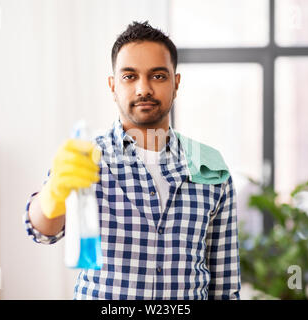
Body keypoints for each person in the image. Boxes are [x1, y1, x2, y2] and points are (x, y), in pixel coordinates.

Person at [24, 21, 240, 300]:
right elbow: (42, 231)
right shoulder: (84, 158)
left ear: (176, 83)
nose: (143, 89)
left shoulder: (209, 167)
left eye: (158, 76)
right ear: (113, 86)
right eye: (129, 76)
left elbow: (224, 284)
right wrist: (53, 192)